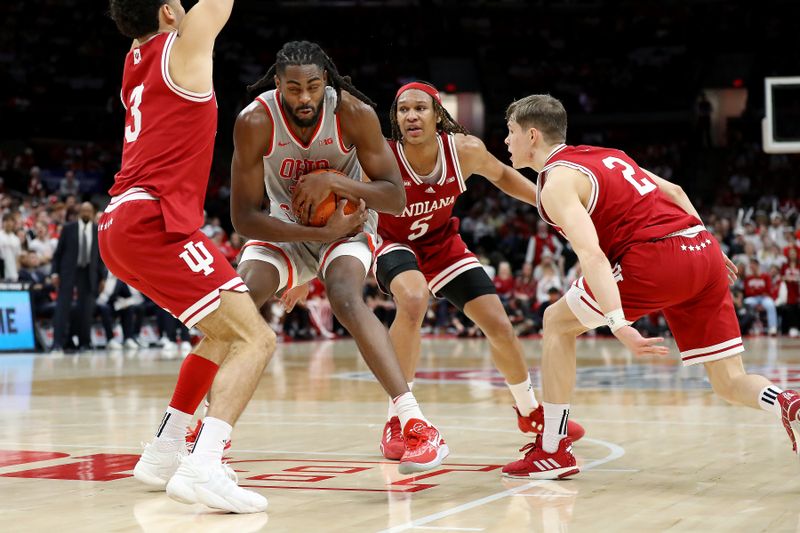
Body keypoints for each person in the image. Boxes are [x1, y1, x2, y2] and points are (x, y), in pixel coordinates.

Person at [501, 94, 800, 479]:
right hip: (702, 248)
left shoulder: (556, 181)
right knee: (729, 381)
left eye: (509, 132)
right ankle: (787, 401)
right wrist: (708, 243)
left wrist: (617, 322)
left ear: (531, 135)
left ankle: (553, 450)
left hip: (655, 258)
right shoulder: (609, 155)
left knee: (557, 322)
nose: (506, 141)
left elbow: (592, 255)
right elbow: (674, 191)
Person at [230, 42, 447, 474]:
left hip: (346, 225)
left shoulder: (353, 113)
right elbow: (243, 218)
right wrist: (312, 233)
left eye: (313, 86)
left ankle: (416, 423)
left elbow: (395, 196)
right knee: (235, 301)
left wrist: (334, 181)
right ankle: (198, 429)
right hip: (282, 225)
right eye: (294, 89)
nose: (305, 98)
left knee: (345, 296)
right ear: (277, 85)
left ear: (325, 81)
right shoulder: (255, 120)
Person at [103, 0, 274, 513]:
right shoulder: (182, 49)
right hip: (153, 220)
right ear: (169, 13)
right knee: (256, 339)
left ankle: (165, 450)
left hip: (120, 222)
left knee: (222, 332)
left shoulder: (134, 61)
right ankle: (204, 466)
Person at [372, 81, 583, 461]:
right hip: (393, 243)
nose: (411, 116)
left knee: (499, 324)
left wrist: (546, 201)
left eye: (420, 108)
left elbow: (502, 176)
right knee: (415, 299)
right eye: (403, 110)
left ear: (438, 115)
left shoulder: (464, 151)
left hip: (441, 243)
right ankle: (398, 419)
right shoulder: (382, 158)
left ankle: (528, 408)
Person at [51, 202, 105, 352]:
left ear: (93, 213)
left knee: (86, 310)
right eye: (84, 210)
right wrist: (55, 273)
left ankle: (84, 343)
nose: (86, 212)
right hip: (68, 272)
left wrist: (102, 277)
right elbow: (58, 254)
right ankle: (57, 344)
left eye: (89, 210)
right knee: (62, 308)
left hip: (88, 273)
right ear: (80, 212)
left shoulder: (97, 230)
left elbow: (101, 257)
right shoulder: (69, 228)